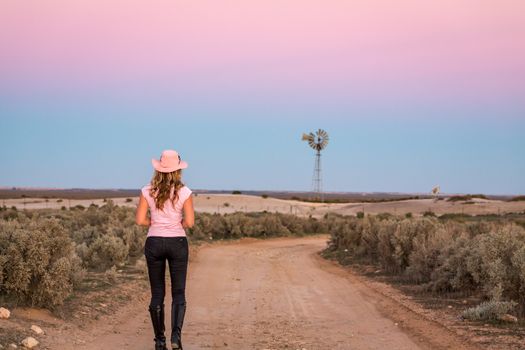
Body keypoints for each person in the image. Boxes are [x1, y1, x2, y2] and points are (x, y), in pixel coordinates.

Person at [135, 149, 194, 350]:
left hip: (154, 242)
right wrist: (176, 223)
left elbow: (140, 220)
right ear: (178, 171)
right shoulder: (184, 192)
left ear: (159, 169)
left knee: (157, 292)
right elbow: (190, 222)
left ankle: (159, 341)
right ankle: (175, 337)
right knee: (178, 292)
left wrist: (155, 222)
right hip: (177, 242)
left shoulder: (147, 191)